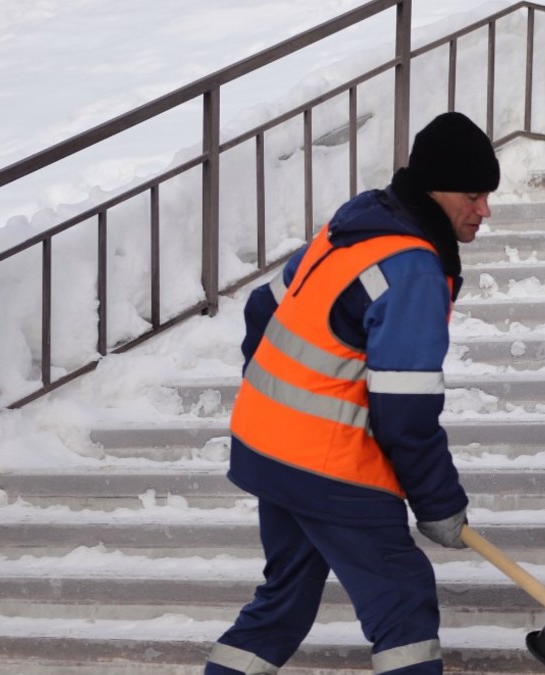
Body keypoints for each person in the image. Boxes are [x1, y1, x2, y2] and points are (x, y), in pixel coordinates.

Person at [204, 112, 500, 674]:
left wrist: (280, 405)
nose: (484, 209)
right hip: (331, 465)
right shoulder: (412, 268)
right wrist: (439, 505)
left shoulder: (352, 231)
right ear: (436, 189)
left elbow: (263, 307)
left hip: (269, 449)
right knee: (403, 609)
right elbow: (406, 415)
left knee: (283, 602)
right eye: (474, 194)